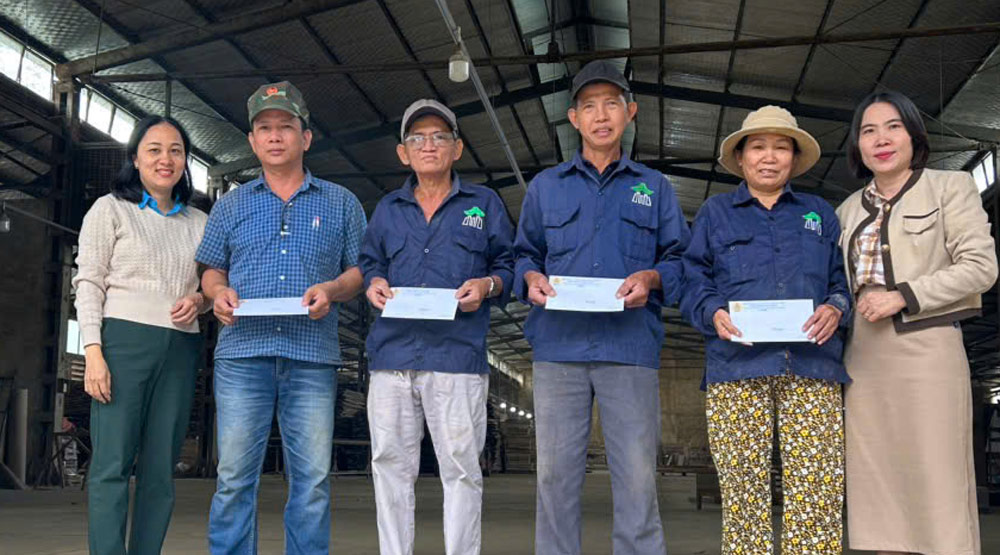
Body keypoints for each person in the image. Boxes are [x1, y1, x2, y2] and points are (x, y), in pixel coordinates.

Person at [513, 60, 689, 555]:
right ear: (573, 118)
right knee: (554, 475)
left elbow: (680, 260)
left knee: (635, 476)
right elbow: (523, 253)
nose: (601, 115)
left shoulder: (653, 188)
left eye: (612, 103)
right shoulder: (546, 187)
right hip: (558, 347)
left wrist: (652, 277)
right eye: (589, 105)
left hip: (629, 347)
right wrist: (529, 276)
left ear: (630, 112)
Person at [195, 81, 367, 555]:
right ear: (251, 141)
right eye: (264, 129)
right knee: (233, 479)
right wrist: (218, 292)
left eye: (285, 127)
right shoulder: (231, 205)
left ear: (305, 138)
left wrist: (333, 289)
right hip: (242, 354)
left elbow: (360, 272)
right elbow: (211, 268)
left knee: (311, 481)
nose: (275, 137)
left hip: (311, 357)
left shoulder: (341, 202)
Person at [681, 105, 851, 554]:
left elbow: (843, 280)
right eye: (758, 147)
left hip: (812, 368)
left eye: (781, 148)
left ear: (794, 159)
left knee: (816, 489)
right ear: (741, 158)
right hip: (737, 368)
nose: (769, 157)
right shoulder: (716, 214)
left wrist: (836, 307)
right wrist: (712, 311)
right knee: (743, 495)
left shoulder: (819, 214)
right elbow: (693, 279)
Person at [836, 91, 997, 555]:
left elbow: (981, 267)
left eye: (893, 127)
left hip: (928, 351)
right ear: (858, 145)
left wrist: (904, 296)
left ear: (913, 135)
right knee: (878, 483)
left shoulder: (950, 188)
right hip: (863, 361)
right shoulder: (845, 211)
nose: (881, 139)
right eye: (868, 131)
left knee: (936, 478)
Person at [358, 99, 514, 555]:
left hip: (457, 356)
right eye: (417, 138)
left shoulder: (483, 204)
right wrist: (375, 282)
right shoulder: (388, 208)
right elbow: (370, 262)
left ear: (458, 148)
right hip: (391, 357)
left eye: (439, 137)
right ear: (403, 153)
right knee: (389, 466)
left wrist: (486, 284)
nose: (429, 146)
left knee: (462, 469)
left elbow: (508, 264)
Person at [74, 115, 208, 555]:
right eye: (154, 149)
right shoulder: (110, 209)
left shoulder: (198, 223)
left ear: (185, 161)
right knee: (112, 464)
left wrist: (201, 303)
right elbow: (89, 282)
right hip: (123, 344)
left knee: (159, 470)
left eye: (175, 150)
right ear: (135, 158)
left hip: (180, 347)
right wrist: (93, 351)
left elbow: (210, 286)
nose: (165, 159)